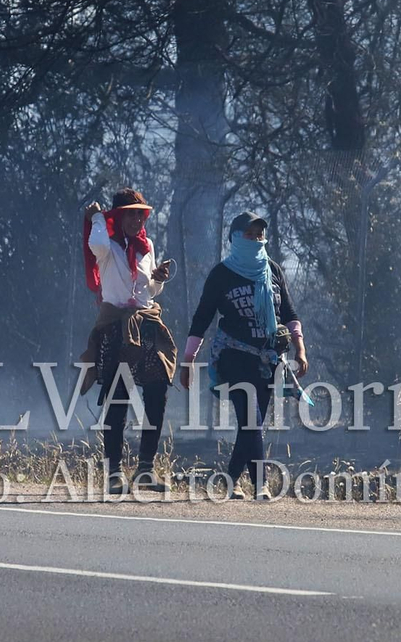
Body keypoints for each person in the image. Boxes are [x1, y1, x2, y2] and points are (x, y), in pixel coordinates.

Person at [178, 211, 309, 498]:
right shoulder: (222, 274)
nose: (255, 239)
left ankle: (230, 480)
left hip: (267, 359)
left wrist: (299, 347)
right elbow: (202, 319)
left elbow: (288, 312)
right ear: (235, 239)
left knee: (254, 422)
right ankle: (261, 485)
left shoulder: (271, 270)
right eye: (249, 235)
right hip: (234, 356)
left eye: (259, 234)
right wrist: (187, 361)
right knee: (251, 418)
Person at [79, 188, 176, 494]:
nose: (136, 219)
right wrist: (96, 217)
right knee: (118, 399)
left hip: (146, 323)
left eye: (140, 213)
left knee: (158, 394)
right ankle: (114, 473)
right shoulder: (106, 246)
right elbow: (94, 242)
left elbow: (150, 290)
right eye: (130, 213)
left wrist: (158, 278)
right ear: (118, 216)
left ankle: (146, 468)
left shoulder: (146, 246)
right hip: (115, 327)